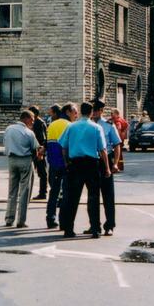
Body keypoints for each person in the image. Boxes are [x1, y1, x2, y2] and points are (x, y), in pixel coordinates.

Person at [59, 101, 109, 239]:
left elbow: (63, 147)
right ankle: (95, 228)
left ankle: (68, 229)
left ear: (80, 112)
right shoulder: (96, 128)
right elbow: (103, 150)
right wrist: (107, 168)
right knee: (93, 197)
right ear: (91, 112)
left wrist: (67, 162)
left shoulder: (71, 127)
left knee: (72, 198)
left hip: (75, 164)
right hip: (91, 164)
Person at [2, 109, 42, 227]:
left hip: (11, 160)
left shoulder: (9, 129)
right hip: (25, 160)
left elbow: (5, 142)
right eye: (32, 119)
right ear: (26, 118)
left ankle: (9, 219)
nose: (33, 122)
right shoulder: (28, 132)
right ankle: (21, 221)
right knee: (24, 192)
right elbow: (35, 147)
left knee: (12, 191)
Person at [91, 99, 122, 236]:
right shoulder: (88, 124)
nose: (95, 113)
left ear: (102, 111)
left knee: (108, 195)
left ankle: (109, 225)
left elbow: (116, 145)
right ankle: (94, 225)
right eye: (93, 110)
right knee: (93, 195)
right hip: (92, 160)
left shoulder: (109, 125)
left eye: (97, 110)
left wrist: (115, 163)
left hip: (106, 160)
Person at [44, 103, 74, 229]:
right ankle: (63, 221)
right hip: (66, 163)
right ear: (68, 112)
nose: (75, 116)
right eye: (74, 112)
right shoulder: (69, 126)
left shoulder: (52, 124)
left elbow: (48, 144)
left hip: (53, 163)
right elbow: (69, 146)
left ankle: (50, 218)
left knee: (54, 192)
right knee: (67, 193)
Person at [28, 105, 48, 201]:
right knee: (34, 172)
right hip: (35, 150)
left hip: (38, 151)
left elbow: (42, 138)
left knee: (42, 173)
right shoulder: (36, 122)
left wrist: (40, 152)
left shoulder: (39, 123)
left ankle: (43, 193)